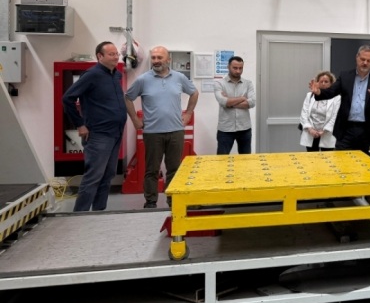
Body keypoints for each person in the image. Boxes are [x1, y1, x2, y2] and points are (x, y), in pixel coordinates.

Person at [125, 46, 199, 209]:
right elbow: (128, 98)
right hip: (153, 133)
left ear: (168, 60)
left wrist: (188, 113)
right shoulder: (143, 80)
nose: (156, 61)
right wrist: (135, 120)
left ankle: (172, 201)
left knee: (174, 169)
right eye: (154, 58)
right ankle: (150, 202)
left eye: (160, 57)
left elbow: (194, 93)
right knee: (151, 170)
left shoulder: (179, 77)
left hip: (176, 131)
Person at [61, 41, 127, 212]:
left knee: (108, 175)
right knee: (94, 176)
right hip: (99, 134)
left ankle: (99, 212)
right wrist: (80, 125)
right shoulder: (91, 75)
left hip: (115, 133)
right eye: (111, 54)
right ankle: (79, 215)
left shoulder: (116, 75)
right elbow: (67, 98)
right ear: (100, 56)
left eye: (117, 54)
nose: (116, 57)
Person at [309, 45, 370, 151]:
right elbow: (331, 92)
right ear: (357, 57)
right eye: (362, 59)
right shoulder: (345, 76)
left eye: (368, 60)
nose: (365, 63)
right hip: (346, 129)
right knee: (342, 158)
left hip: (369, 130)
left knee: (368, 160)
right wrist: (319, 92)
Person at [214, 56, 255, 155]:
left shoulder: (248, 84)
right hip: (225, 129)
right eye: (235, 68)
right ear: (228, 67)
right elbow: (223, 101)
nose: (238, 71)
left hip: (244, 128)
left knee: (245, 160)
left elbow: (252, 102)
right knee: (222, 160)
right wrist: (242, 98)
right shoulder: (219, 84)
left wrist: (230, 101)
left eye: (240, 68)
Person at [300, 71, 341, 151]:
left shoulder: (337, 98)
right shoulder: (310, 95)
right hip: (311, 132)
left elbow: (335, 117)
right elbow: (304, 114)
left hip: (327, 133)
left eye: (326, 82)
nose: (323, 84)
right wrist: (310, 129)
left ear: (331, 84)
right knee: (311, 157)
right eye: (321, 81)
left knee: (327, 157)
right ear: (317, 83)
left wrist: (324, 131)